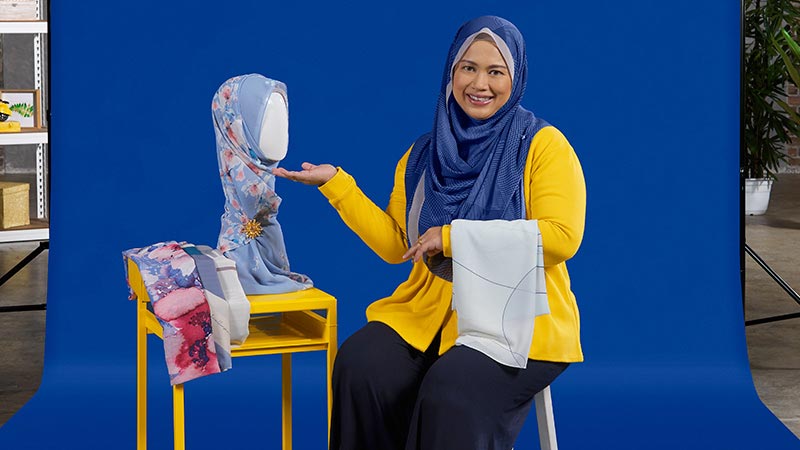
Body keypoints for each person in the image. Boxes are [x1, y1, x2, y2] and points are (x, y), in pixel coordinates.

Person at [274, 15, 585, 450]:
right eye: (468, 68)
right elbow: (400, 246)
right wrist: (336, 185)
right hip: (427, 312)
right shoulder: (423, 154)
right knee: (360, 364)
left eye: (496, 71)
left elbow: (561, 236)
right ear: (451, 73)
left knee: (449, 392)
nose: (480, 83)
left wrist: (453, 237)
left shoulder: (543, 146)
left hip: (518, 319)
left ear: (515, 79)